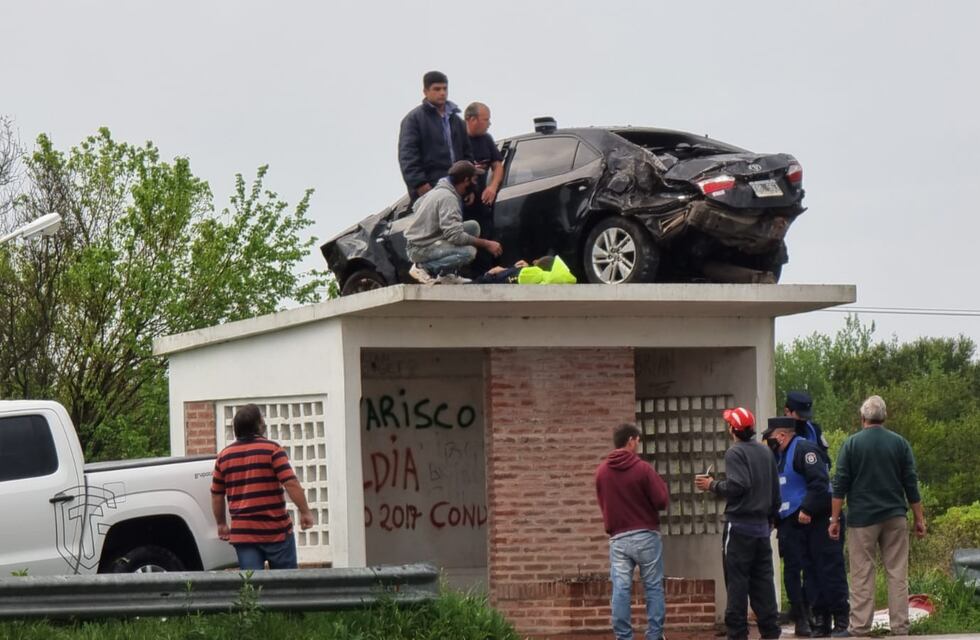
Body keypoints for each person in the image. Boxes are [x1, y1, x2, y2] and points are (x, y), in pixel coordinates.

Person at [829, 395, 926, 637]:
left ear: (862, 418)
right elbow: (911, 484)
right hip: (895, 516)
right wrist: (919, 519)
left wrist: (834, 520)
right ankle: (900, 627)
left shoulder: (851, 444)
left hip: (862, 519)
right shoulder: (900, 443)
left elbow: (839, 484)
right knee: (897, 572)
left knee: (862, 573)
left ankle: (860, 627)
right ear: (885, 417)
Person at [695, 407, 781, 640]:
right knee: (763, 583)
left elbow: (738, 486)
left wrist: (712, 485)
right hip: (762, 530)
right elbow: (775, 493)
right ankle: (771, 632)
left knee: (737, 584)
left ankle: (737, 634)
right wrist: (771, 520)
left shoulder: (735, 453)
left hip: (739, 528)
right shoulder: (766, 453)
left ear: (733, 429)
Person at [765, 418, 849, 638]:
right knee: (810, 572)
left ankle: (841, 620)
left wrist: (808, 509)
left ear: (782, 436)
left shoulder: (804, 450)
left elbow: (819, 482)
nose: (768, 441)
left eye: (771, 436)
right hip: (794, 523)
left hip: (818, 519)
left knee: (829, 569)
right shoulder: (778, 456)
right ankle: (820, 620)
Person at [211, 404, 314, 570]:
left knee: (252, 588)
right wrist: (305, 511)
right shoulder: (272, 450)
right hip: (276, 531)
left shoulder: (223, 456)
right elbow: (290, 482)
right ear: (258, 425)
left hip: (244, 533)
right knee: (285, 586)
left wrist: (221, 523)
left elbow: (216, 494)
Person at [595, 423, 670, 640]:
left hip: (618, 539)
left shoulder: (601, 472)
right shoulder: (643, 469)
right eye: (638, 440)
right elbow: (661, 500)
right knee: (653, 587)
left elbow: (604, 503)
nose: (638, 444)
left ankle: (623, 636)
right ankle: (654, 635)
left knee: (621, 589)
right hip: (646, 535)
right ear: (630, 440)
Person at [405, 160, 503, 284]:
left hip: (428, 239)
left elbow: (417, 205)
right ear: (466, 180)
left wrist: (430, 225)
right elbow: (455, 236)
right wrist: (487, 244)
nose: (476, 182)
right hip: (420, 248)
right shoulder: (448, 198)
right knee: (469, 252)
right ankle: (422, 268)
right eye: (474, 179)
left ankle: (446, 275)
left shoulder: (441, 189)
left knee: (473, 227)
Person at [398, 71, 473, 202]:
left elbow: (468, 155)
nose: (442, 93)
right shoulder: (414, 120)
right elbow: (408, 156)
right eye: (437, 89)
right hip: (430, 189)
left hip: (457, 188)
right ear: (425, 91)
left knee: (458, 222)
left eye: (445, 88)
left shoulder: (456, 121)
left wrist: (470, 187)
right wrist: (420, 184)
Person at [462, 102, 504, 274]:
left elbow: (498, 165)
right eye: (486, 120)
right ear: (471, 120)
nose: (489, 124)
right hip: (461, 205)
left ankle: (485, 277)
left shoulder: (486, 139)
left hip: (482, 204)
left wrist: (492, 187)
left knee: (484, 246)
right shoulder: (456, 140)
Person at [471, 255, 576, 285]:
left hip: (486, 280)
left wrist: (490, 274)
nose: (534, 260)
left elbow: (496, 278)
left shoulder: (531, 273)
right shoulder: (543, 279)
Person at [785, 391, 830, 455]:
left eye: (805, 416)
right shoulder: (776, 433)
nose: (803, 419)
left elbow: (824, 456)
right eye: (800, 416)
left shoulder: (814, 430)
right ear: (787, 411)